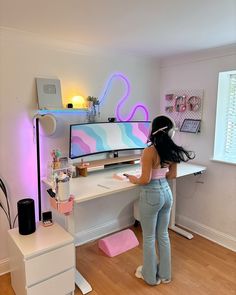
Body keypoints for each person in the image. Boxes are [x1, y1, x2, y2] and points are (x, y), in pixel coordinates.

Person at [125, 115, 195, 286]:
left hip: (151, 195)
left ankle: (149, 277)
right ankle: (165, 275)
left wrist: (132, 178)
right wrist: (160, 170)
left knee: (149, 237)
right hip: (166, 194)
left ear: (154, 130)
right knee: (163, 234)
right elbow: (172, 175)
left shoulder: (149, 151)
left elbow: (144, 180)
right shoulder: (171, 151)